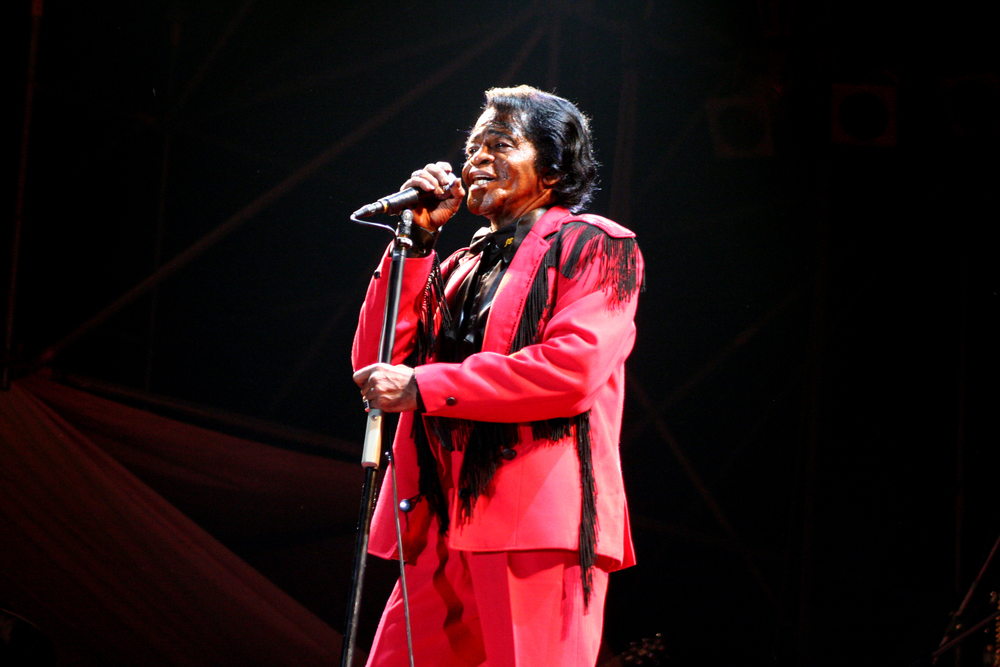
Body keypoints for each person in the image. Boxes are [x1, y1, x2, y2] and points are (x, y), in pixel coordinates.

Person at [352, 85, 643, 667]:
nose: (477, 158)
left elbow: (571, 369)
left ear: (554, 169)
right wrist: (417, 246)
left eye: (501, 144)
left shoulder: (594, 246)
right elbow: (376, 362)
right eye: (475, 144)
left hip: (532, 524)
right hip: (439, 518)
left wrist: (424, 388)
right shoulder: (458, 265)